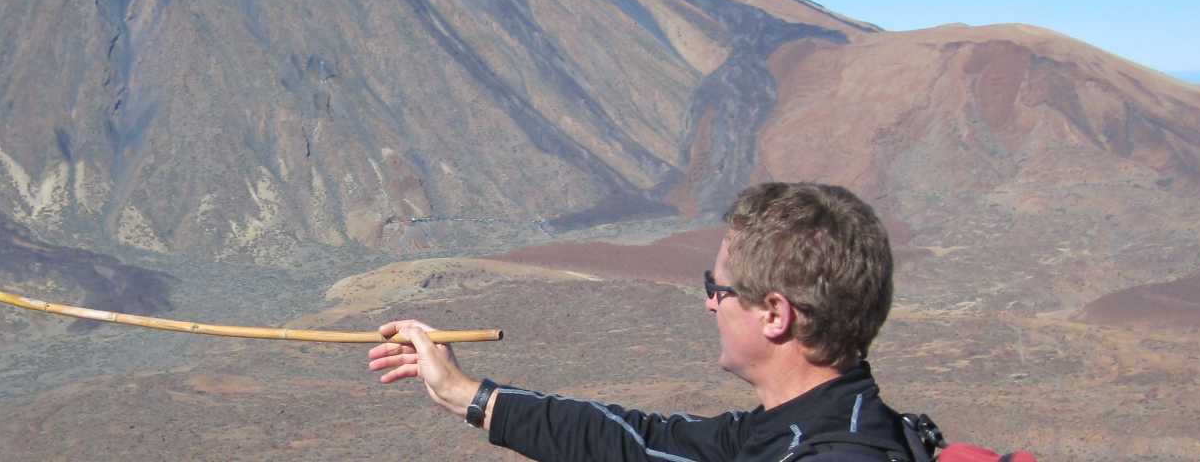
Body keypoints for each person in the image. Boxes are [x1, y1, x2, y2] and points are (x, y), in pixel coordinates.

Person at [368, 182, 909, 461]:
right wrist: (464, 393)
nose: (709, 304)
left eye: (717, 289)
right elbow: (635, 444)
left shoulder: (829, 452)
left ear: (774, 315)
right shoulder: (797, 428)